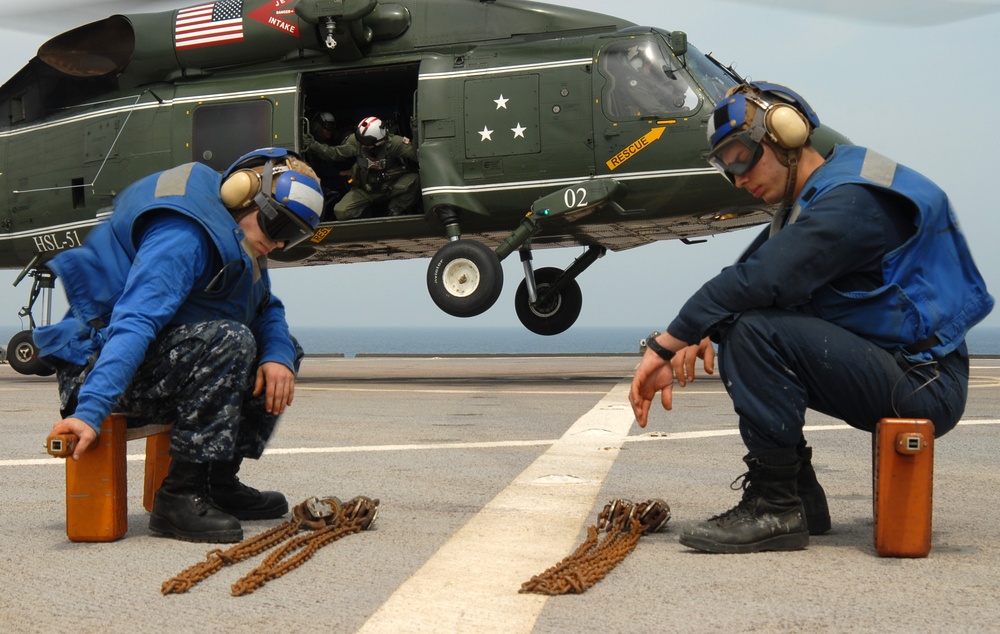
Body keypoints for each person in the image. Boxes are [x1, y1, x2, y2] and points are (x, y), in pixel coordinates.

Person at [629, 81, 993, 554]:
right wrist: (701, 330)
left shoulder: (852, 202)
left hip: (924, 383)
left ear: (786, 133)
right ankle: (801, 498)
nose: (737, 178)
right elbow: (741, 278)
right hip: (902, 367)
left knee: (752, 331)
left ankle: (775, 507)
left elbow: (758, 281)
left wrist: (665, 345)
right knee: (741, 321)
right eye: (726, 168)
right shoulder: (812, 199)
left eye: (741, 156)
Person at [36, 148, 325, 544]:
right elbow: (135, 321)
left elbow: (266, 308)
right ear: (243, 192)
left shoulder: (243, 235)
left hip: (150, 363)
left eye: (291, 236)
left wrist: (277, 357)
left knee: (279, 349)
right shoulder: (183, 235)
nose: (278, 244)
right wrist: (89, 410)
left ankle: (218, 482)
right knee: (230, 340)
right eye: (277, 227)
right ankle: (178, 496)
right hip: (95, 370)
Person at [302, 115, 420, 220]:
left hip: (389, 187)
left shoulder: (395, 143)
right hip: (365, 189)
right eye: (361, 139)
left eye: (367, 141)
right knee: (341, 211)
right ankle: (367, 219)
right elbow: (334, 153)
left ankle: (393, 211)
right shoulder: (357, 142)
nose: (363, 144)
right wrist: (314, 145)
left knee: (415, 179)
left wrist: (417, 134)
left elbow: (416, 156)